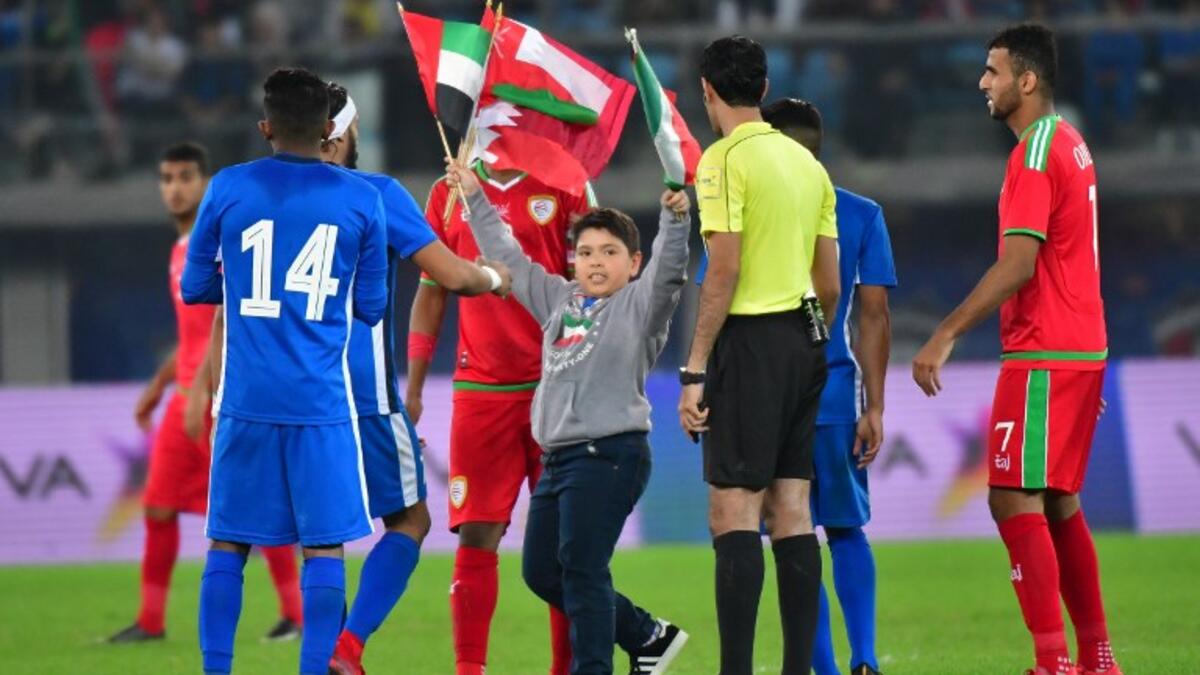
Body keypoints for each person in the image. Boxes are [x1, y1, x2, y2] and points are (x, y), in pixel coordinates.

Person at [182, 67, 411, 675]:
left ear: (266, 127)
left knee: (228, 542)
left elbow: (195, 285)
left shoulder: (228, 187)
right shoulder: (364, 199)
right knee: (324, 547)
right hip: (320, 403)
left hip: (244, 400)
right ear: (327, 130)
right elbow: (371, 308)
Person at [911, 24, 1120, 675]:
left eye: (993, 71)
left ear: (1026, 80)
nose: (983, 82)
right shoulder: (1074, 143)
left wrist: (945, 332)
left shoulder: (1033, 153)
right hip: (1080, 345)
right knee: (1058, 499)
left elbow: (1020, 264)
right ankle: (1097, 657)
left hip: (1044, 347)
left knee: (1010, 495)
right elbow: (1072, 255)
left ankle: (1053, 661)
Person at [444, 158, 690, 675]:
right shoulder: (558, 299)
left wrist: (676, 219)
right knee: (541, 573)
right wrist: (473, 196)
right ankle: (646, 634)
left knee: (581, 568)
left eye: (610, 252)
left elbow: (670, 271)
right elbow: (507, 254)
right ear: (571, 262)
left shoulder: (642, 307)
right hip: (559, 460)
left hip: (609, 454)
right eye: (585, 253)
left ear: (634, 263)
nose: (596, 262)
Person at [316, 82, 513, 675]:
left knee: (316, 541)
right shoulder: (377, 193)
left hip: (286, 395)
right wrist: (494, 277)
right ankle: (346, 648)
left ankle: (305, 656)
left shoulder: (252, 193)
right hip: (363, 390)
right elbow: (448, 275)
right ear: (348, 136)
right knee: (410, 519)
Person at [677, 35, 840, 675]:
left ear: (708, 91)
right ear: (766, 90)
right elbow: (828, 282)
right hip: (806, 337)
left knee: (734, 509)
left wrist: (695, 368)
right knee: (793, 507)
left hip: (749, 340)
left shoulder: (719, 161)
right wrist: (805, 336)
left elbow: (723, 269)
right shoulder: (808, 164)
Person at [107, 142, 303, 646]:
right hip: (186, 398)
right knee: (158, 505)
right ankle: (150, 622)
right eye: (167, 178)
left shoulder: (221, 244)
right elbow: (192, 336)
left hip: (222, 395)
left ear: (205, 182)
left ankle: (296, 615)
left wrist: (198, 389)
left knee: (252, 509)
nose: (175, 187)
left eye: (185, 177)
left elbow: (232, 321)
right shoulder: (180, 249)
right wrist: (159, 385)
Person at [408, 153, 596, 674]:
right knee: (477, 533)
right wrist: (417, 387)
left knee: (565, 542)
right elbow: (431, 292)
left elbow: (596, 283)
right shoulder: (449, 190)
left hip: (554, 387)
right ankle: (470, 669)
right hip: (480, 389)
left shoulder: (564, 179)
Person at [762, 99, 896, 675]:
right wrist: (875, 405)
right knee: (845, 527)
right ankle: (864, 657)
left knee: (791, 535)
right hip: (837, 394)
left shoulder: (749, 211)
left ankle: (825, 669)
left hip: (769, 393)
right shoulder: (861, 214)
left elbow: (718, 298)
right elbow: (874, 315)